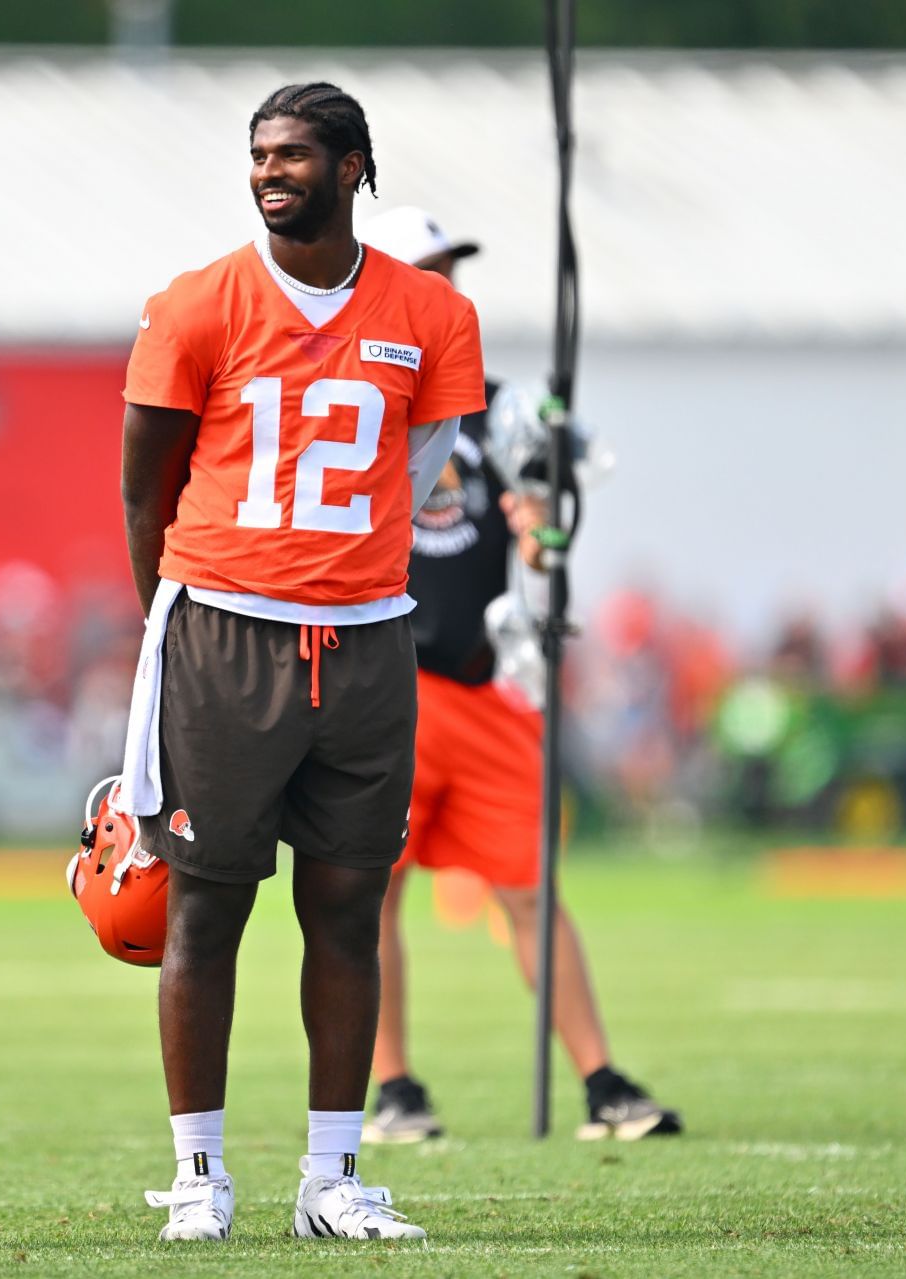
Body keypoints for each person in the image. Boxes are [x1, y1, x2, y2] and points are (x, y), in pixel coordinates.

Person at [118, 83, 484, 1242]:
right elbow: (144, 485)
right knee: (206, 909)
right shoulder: (196, 303)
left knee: (348, 905)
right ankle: (198, 1172)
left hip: (370, 637)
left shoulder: (430, 313)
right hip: (223, 627)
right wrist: (176, 625)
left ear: (353, 166)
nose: (272, 171)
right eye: (260, 153)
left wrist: (342, 571)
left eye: (294, 154)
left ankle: (333, 1175)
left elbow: (419, 473)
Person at [356, 206, 682, 1144]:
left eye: (451, 270)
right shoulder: (354, 400)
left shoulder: (497, 409)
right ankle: (394, 1089)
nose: (444, 286)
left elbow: (542, 546)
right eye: (427, 269)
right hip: (387, 688)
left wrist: (544, 523)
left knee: (531, 890)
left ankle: (602, 1082)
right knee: (370, 893)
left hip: (487, 681)